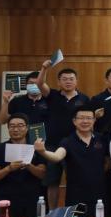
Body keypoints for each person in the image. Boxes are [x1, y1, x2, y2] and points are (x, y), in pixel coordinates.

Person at [38, 65, 90, 208]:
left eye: (71, 79)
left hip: (75, 144)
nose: (68, 81)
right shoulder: (52, 95)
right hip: (53, 145)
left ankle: (75, 210)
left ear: (76, 81)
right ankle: (52, 213)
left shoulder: (84, 98)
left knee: (76, 180)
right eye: (64, 79)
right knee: (52, 181)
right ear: (59, 82)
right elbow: (40, 84)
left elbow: (88, 120)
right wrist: (44, 68)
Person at [36, 107, 107, 209]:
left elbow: (108, 160)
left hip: (100, 194)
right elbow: (56, 157)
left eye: (89, 118)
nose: (85, 121)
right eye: (81, 118)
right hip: (76, 195)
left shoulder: (102, 138)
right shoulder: (67, 141)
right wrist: (42, 151)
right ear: (74, 121)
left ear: (94, 120)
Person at [0, 114, 47, 217]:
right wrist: (9, 168)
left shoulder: (36, 148)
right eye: (12, 126)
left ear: (27, 128)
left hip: (32, 199)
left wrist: (29, 166)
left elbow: (43, 174)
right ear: (8, 128)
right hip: (6, 200)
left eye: (20, 125)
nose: (16, 129)